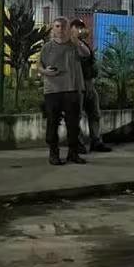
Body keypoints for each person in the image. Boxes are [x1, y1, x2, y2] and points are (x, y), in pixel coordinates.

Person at [38, 17, 89, 166]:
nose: (60, 29)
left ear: (68, 29)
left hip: (71, 89)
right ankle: (53, 153)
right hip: (52, 90)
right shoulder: (47, 47)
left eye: (63, 27)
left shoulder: (74, 45)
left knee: (73, 123)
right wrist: (46, 71)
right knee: (53, 122)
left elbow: (86, 54)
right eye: (57, 26)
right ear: (53, 28)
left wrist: (77, 40)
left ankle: (73, 153)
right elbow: (39, 67)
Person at [70, 18, 111, 154]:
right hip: (76, 85)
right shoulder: (68, 45)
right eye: (77, 27)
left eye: (81, 27)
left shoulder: (83, 44)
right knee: (77, 116)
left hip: (89, 84)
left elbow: (89, 58)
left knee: (94, 114)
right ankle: (78, 143)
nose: (80, 30)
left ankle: (96, 141)